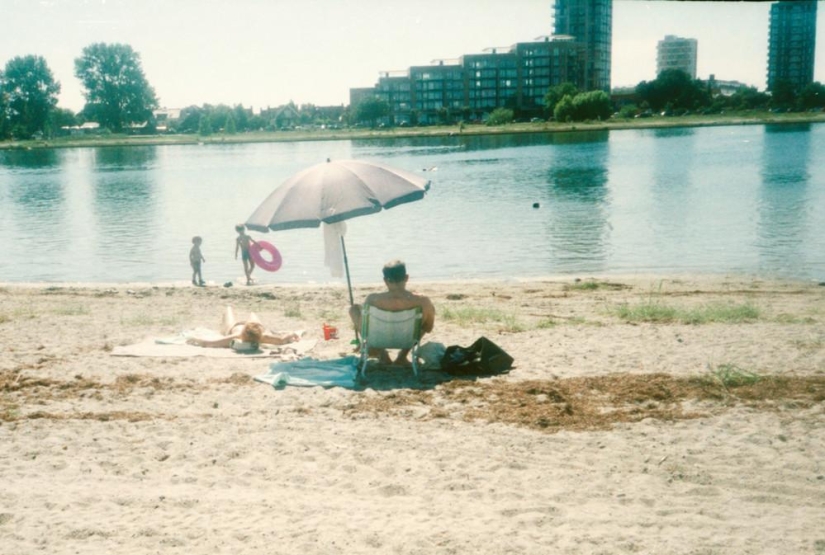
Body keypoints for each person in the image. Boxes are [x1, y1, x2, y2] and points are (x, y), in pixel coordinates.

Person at [349, 259, 435, 366]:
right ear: (406, 277)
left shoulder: (372, 299)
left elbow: (365, 329)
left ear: (385, 280)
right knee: (428, 314)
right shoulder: (422, 301)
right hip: (408, 339)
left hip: (379, 339)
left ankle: (383, 355)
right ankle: (402, 356)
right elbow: (428, 328)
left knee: (354, 309)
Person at [187, 306, 300, 349]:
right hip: (253, 326)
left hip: (233, 326)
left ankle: (224, 327)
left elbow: (209, 343)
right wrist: (293, 333)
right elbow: (282, 340)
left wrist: (194, 338)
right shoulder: (263, 337)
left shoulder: (237, 336)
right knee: (252, 313)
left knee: (228, 309)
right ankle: (253, 319)